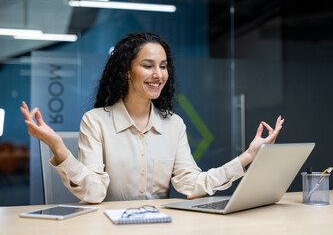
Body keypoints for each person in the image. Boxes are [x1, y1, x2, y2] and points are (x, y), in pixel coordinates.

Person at [21, 32, 284, 204]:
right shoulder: (95, 121)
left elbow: (191, 184)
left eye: (163, 65)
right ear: (126, 70)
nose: (158, 74)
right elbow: (94, 192)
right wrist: (58, 147)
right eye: (148, 66)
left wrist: (248, 155)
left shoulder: (173, 125)